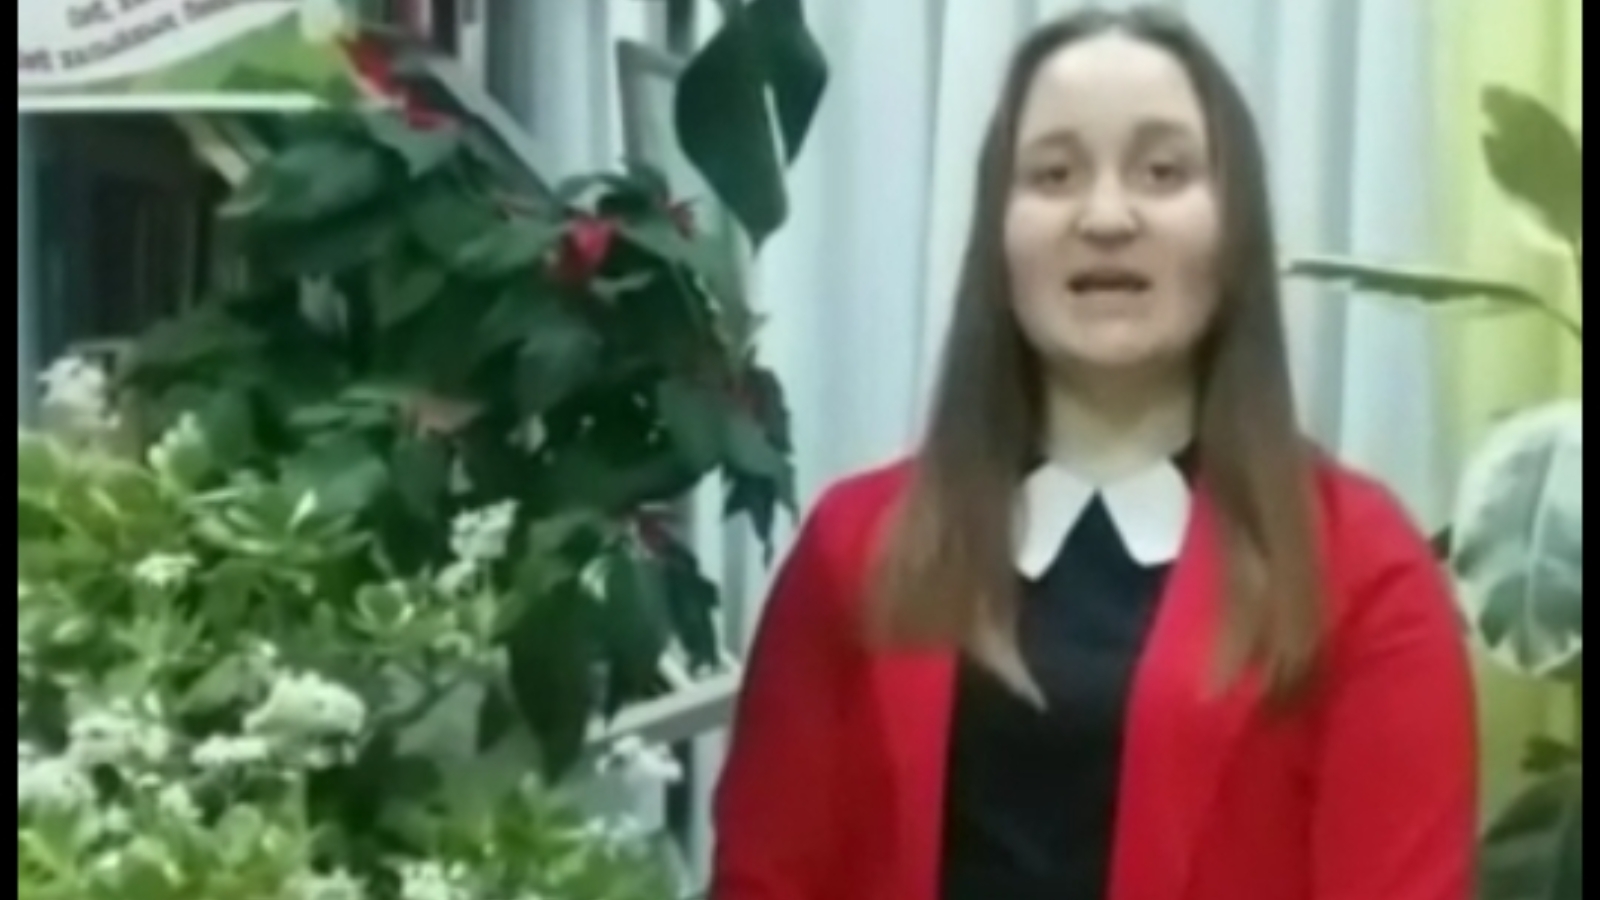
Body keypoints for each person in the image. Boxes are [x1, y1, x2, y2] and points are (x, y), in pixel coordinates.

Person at [710, 7, 1477, 900]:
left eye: (1163, 171)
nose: (1106, 216)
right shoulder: (853, 550)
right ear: (999, 234)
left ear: (1232, 229)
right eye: (1054, 174)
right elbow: (766, 878)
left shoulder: (1362, 569)